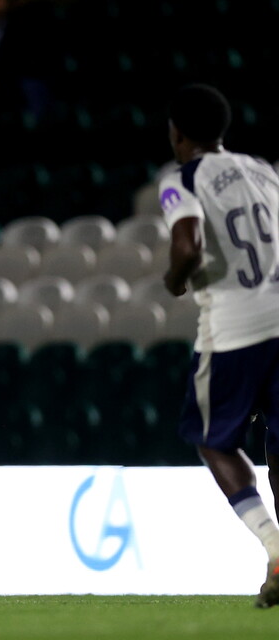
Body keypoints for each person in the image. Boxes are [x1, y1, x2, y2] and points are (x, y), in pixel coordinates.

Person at [160, 83, 279, 608]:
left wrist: (176, 278)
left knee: (212, 437)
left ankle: (276, 548)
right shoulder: (264, 170)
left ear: (178, 133)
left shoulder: (180, 179)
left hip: (235, 328)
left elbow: (188, 243)